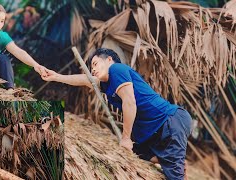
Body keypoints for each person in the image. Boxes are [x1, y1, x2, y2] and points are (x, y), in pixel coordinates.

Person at [42, 48, 192, 180]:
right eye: (91, 67)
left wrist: (126, 137)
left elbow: (129, 102)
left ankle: (175, 163)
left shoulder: (116, 69)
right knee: (136, 151)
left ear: (109, 59)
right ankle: (174, 161)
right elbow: (84, 79)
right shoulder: (107, 84)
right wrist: (56, 77)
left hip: (170, 120)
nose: (92, 69)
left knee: (174, 177)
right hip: (154, 131)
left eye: (95, 64)